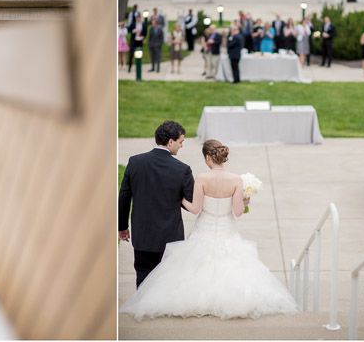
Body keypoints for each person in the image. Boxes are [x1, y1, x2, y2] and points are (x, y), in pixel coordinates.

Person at [120, 140, 298, 320]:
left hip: (204, 227)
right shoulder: (236, 179)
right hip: (227, 228)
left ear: (207, 157)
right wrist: (244, 202)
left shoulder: (202, 178)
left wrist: (178, 198)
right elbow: (237, 212)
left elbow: (195, 208)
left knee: (195, 266)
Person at [118, 121, 194, 288]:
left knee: (143, 275)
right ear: (170, 142)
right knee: (169, 278)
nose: (181, 146)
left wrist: (122, 226)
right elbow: (192, 201)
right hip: (170, 235)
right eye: (181, 141)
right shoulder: (182, 170)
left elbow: (124, 197)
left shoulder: (135, 162)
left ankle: (141, 308)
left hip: (142, 233)